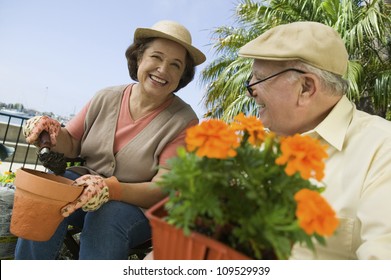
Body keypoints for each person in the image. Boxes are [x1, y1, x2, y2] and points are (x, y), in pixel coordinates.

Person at [15, 20, 206, 260]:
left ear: (182, 76)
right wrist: (52, 131)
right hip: (83, 187)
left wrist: (109, 189)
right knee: (45, 199)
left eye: (175, 65)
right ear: (139, 58)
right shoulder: (106, 97)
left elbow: (161, 190)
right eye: (156, 57)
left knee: (105, 219)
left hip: (140, 209)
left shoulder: (184, 120)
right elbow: (72, 143)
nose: (163, 69)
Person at [238, 21, 391, 259]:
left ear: (306, 87)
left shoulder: (382, 149)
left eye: (258, 79)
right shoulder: (259, 148)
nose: (251, 90)